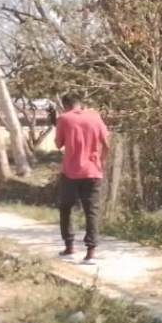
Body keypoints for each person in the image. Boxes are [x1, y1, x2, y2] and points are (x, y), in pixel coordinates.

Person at [54, 94, 109, 265]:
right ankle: (91, 252)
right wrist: (101, 162)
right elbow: (106, 144)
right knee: (91, 211)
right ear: (80, 104)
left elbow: (58, 144)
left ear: (66, 106)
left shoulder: (64, 118)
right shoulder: (95, 117)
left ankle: (69, 247)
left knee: (66, 207)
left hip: (71, 171)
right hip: (93, 171)